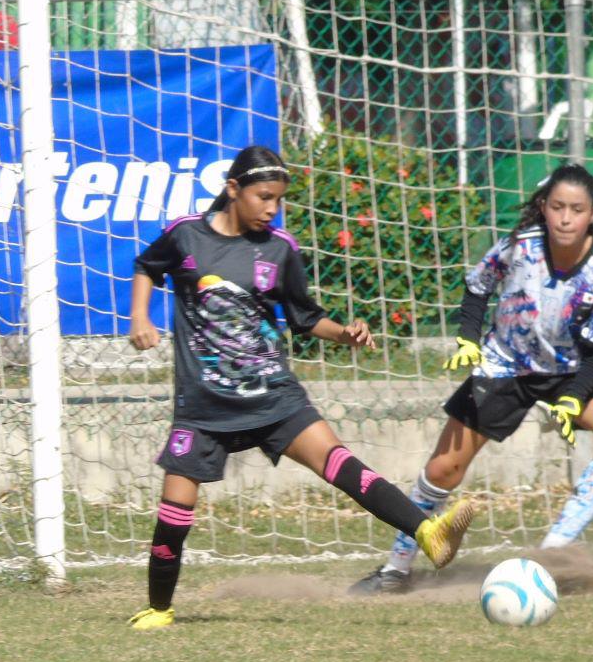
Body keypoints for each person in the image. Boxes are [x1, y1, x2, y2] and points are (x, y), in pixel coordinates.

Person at [124, 146, 478, 630]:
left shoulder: (278, 248)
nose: (272, 208)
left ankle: (429, 533)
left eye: (278, 200)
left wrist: (344, 333)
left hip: (273, 395)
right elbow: (147, 266)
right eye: (263, 197)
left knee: (339, 461)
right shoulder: (187, 235)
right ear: (233, 190)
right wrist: (140, 316)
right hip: (203, 407)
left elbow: (304, 317)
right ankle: (159, 608)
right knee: (175, 509)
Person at [351, 163, 593, 596]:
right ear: (544, 208)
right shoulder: (519, 247)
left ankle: (556, 550)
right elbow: (477, 287)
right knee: (444, 467)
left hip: (570, 370)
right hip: (506, 364)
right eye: (558, 207)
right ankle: (396, 568)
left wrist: (573, 400)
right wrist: (470, 341)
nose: (566, 218)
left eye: (576, 209)